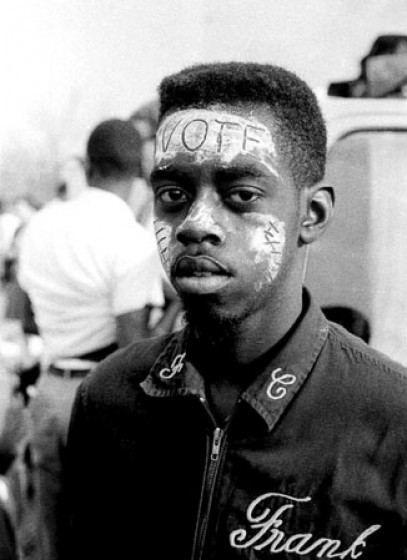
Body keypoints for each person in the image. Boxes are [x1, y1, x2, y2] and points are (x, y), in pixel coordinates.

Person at [66, 62, 407, 559]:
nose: (195, 224)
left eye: (241, 195)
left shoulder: (393, 423)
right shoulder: (109, 399)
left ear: (310, 216)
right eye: (173, 195)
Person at [18, 118, 165, 560]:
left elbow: (26, 318)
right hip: (99, 396)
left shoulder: (43, 224)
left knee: (51, 531)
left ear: (90, 162)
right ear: (139, 167)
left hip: (47, 391)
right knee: (106, 532)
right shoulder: (130, 241)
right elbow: (131, 351)